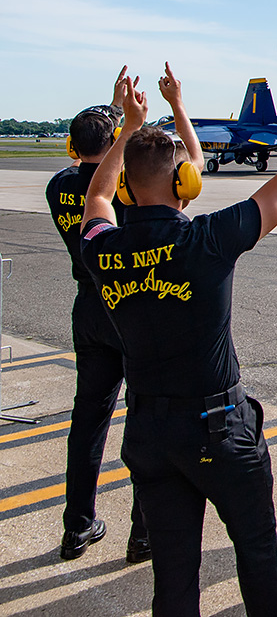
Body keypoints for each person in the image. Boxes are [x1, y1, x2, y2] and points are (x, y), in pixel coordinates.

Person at [80, 47, 277, 617]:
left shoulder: (103, 249)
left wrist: (128, 127)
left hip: (148, 431)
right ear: (186, 179)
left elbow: (97, 198)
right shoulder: (206, 238)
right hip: (218, 429)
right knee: (257, 554)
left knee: (173, 574)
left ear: (130, 187)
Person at [46, 67, 149, 562]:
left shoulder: (58, 186)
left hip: (87, 306)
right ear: (113, 144)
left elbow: (89, 163)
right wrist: (127, 122)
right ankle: (143, 533)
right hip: (129, 307)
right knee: (145, 418)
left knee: (87, 421)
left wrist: (111, 111)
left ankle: (77, 525)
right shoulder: (124, 190)